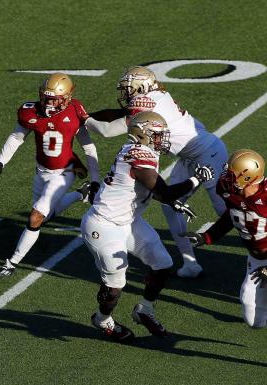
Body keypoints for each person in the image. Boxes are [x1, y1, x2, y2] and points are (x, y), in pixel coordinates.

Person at [86, 65, 229, 278]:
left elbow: (108, 130)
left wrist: (83, 121)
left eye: (128, 87)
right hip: (191, 154)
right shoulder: (157, 95)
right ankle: (190, 263)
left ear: (141, 86)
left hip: (208, 155)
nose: (125, 93)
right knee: (170, 207)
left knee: (229, 212)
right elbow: (119, 113)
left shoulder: (144, 103)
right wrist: (87, 115)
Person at [81, 111, 213, 341]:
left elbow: (158, 192)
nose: (161, 139)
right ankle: (102, 319)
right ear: (142, 134)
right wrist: (196, 179)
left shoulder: (142, 151)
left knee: (163, 265)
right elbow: (163, 192)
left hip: (129, 221)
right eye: (157, 134)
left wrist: (177, 204)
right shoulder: (137, 156)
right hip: (104, 225)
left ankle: (145, 309)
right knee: (115, 285)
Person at [0, 73, 101, 277]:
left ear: (67, 97)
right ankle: (79, 195)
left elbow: (89, 148)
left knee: (35, 218)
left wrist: (95, 179)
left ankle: (11, 263)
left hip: (65, 171)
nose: (49, 103)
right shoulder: (30, 112)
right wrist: (0, 160)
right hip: (41, 171)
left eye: (55, 99)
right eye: (47, 97)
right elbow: (16, 137)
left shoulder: (75, 111)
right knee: (44, 217)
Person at [182, 149, 267, 327]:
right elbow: (233, 215)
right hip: (257, 259)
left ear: (247, 177)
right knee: (254, 319)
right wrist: (207, 236)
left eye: (232, 174)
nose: (227, 177)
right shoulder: (229, 189)